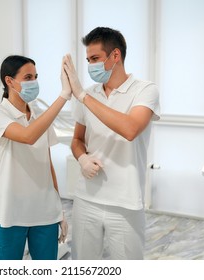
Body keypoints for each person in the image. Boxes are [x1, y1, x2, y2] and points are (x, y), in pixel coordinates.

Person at [63, 27, 161, 260]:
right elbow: (77, 140)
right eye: (88, 60)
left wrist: (83, 97)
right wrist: (82, 158)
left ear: (115, 56)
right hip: (87, 199)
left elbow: (130, 129)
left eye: (95, 58)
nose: (90, 66)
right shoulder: (87, 93)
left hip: (125, 202)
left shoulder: (145, 90)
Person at [0, 55, 70, 260]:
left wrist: (58, 209)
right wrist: (64, 96)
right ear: (9, 81)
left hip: (44, 212)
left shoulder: (41, 117)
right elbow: (28, 136)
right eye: (28, 77)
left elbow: (47, 164)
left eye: (36, 77)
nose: (34, 82)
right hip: (10, 214)